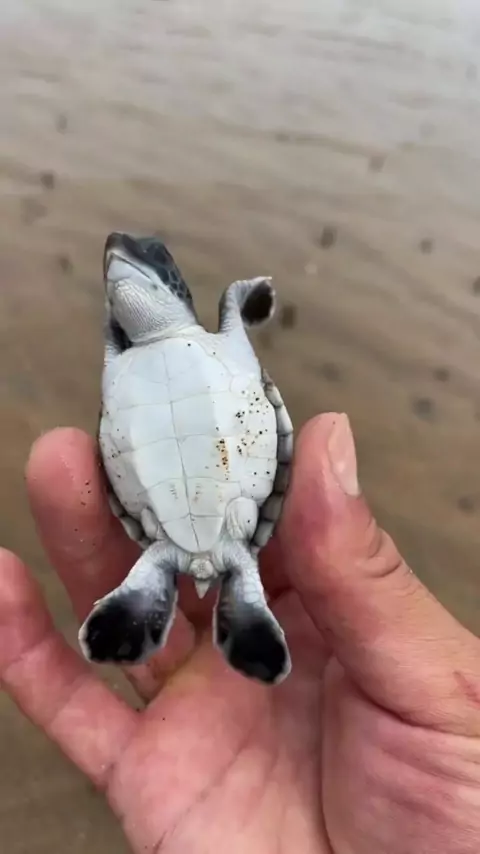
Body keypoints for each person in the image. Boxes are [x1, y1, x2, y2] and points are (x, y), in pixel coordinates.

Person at [1, 413, 480, 854]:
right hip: (222, 511)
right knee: (217, 552)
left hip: (188, 516)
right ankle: (201, 600)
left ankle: (180, 596)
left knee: (190, 551)